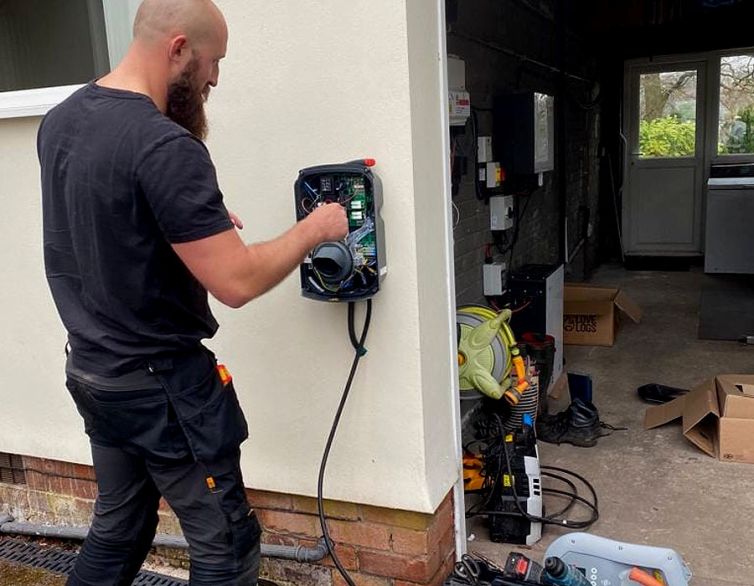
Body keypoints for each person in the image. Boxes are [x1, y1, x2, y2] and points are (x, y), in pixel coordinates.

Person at [37, 0, 348, 584]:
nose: (214, 79)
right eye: (212, 62)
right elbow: (236, 283)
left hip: (96, 375)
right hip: (163, 390)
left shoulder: (62, 120)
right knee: (225, 546)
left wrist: (184, 225)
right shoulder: (166, 147)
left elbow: (102, 223)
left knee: (120, 527)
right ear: (178, 47)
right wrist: (316, 229)